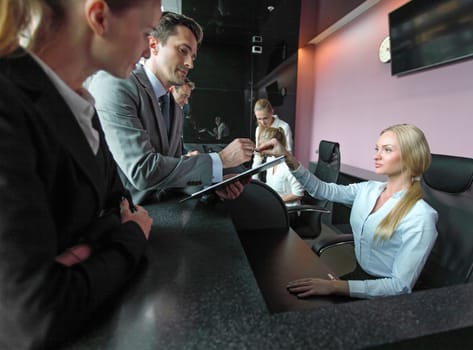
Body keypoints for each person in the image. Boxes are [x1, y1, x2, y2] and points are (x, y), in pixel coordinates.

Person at [0, 0, 161, 348]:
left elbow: (117, 203)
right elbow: (34, 314)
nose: (147, 53)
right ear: (99, 16)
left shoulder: (79, 103)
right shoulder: (9, 100)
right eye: (146, 32)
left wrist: (88, 248)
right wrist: (129, 238)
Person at [88, 12, 255, 204]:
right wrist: (220, 160)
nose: (190, 63)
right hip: (121, 219)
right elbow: (143, 171)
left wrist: (212, 185)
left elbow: (172, 172)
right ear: (153, 45)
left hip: (161, 213)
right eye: (183, 51)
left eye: (193, 56)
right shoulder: (116, 84)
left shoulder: (172, 103)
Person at [258, 124, 438, 299]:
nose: (376, 156)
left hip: (385, 295)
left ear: (411, 156)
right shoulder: (369, 189)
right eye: (377, 149)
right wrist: (289, 158)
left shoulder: (420, 216)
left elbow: (399, 287)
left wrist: (334, 286)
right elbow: (323, 190)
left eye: (387, 150)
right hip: (358, 275)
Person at [258, 126, 303, 206]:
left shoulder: (290, 166)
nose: (260, 149)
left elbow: (298, 194)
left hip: (288, 209)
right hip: (274, 205)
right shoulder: (270, 160)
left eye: (263, 146)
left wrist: (275, 200)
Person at [252, 98, 293, 178]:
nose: (262, 122)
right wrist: (254, 178)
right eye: (259, 119)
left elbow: (289, 154)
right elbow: (258, 155)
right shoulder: (258, 129)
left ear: (272, 112)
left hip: (282, 171)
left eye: (265, 118)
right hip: (267, 170)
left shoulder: (284, 127)